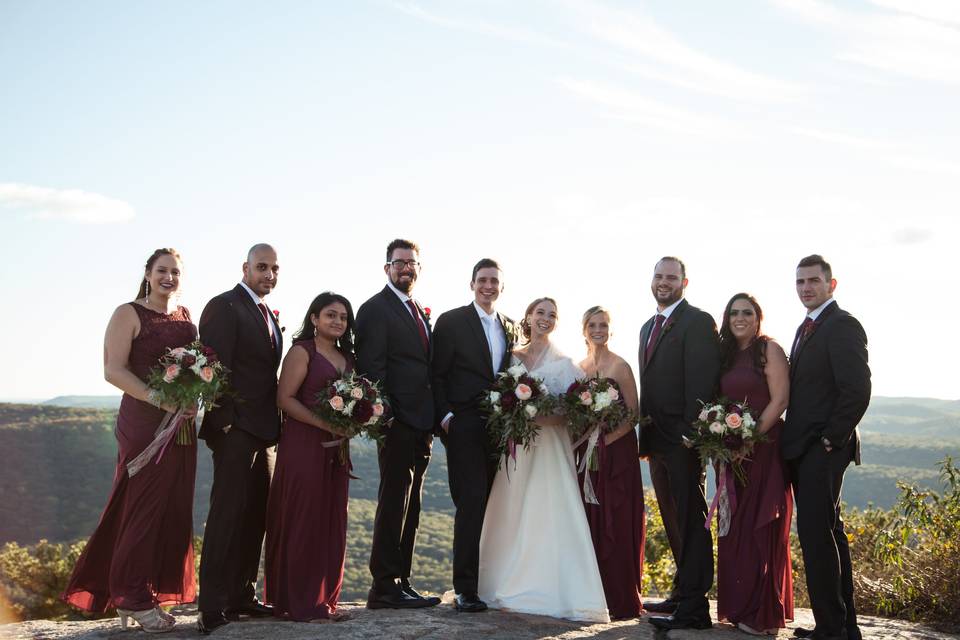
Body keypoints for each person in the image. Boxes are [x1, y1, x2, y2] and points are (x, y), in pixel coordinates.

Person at [62, 248, 197, 633]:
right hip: (143, 420)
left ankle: (142, 592)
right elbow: (112, 370)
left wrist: (190, 402)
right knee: (142, 505)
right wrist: (160, 399)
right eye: (161, 271)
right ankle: (131, 596)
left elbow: (195, 369)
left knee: (170, 506)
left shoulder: (186, 316)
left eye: (175, 272)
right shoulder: (128, 313)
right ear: (148, 274)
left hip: (181, 423)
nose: (168, 278)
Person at [478, 297, 610, 623]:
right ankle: (503, 580)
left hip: (550, 446)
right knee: (512, 510)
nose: (546, 319)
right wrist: (517, 413)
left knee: (548, 510)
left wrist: (537, 417)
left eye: (552, 315)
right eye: (541, 313)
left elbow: (574, 412)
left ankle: (554, 587)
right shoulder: (511, 358)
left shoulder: (565, 364)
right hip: (518, 446)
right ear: (529, 317)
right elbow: (500, 399)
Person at [196, 243, 283, 634]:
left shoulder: (266, 313)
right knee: (226, 515)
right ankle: (211, 605)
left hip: (265, 431)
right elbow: (213, 367)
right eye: (262, 267)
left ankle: (241, 595)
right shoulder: (224, 305)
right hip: (235, 429)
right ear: (245, 267)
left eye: (274, 268)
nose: (269, 274)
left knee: (256, 515)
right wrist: (226, 422)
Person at [784, 255, 870, 640]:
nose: (806, 288)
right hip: (806, 447)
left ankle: (831, 630)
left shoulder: (842, 325)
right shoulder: (808, 327)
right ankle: (841, 627)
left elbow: (857, 390)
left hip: (825, 448)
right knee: (829, 533)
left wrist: (830, 440)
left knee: (817, 537)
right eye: (800, 281)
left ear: (831, 285)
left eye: (813, 281)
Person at [355, 239, 439, 609]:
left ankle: (402, 579)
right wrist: (387, 418)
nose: (406, 268)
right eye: (399, 262)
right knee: (393, 501)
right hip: (396, 422)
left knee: (412, 502)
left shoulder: (418, 309)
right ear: (386, 267)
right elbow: (372, 370)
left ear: (419, 268)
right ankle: (383, 586)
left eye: (412, 263)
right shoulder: (374, 309)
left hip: (422, 422)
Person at [638, 256, 720, 632]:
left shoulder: (698, 322)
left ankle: (695, 608)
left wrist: (691, 435)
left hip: (683, 442)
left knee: (691, 520)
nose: (663, 282)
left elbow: (702, 383)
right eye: (659, 276)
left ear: (685, 283)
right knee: (673, 519)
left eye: (671, 277)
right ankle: (681, 592)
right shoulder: (646, 327)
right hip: (656, 440)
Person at [264, 292, 356, 622]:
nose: (338, 321)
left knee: (332, 521)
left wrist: (356, 420)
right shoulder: (303, 352)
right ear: (314, 319)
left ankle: (324, 600)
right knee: (304, 520)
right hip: (303, 446)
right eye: (330, 315)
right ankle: (298, 602)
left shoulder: (348, 358)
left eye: (343, 317)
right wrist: (324, 423)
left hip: (337, 451)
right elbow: (284, 399)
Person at [431, 258, 516, 612]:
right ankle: (465, 589)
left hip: (499, 428)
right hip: (463, 424)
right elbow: (436, 374)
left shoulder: (510, 326)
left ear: (501, 286)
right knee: (470, 503)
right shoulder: (451, 321)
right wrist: (447, 417)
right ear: (471, 284)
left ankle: (493, 581)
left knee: (496, 505)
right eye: (482, 280)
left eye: (494, 280)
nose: (488, 286)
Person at [714, 293, 793, 636]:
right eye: (734, 313)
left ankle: (763, 615)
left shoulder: (768, 349)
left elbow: (781, 399)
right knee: (735, 526)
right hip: (731, 451)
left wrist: (751, 438)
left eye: (747, 312)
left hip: (764, 448)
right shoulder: (726, 353)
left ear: (759, 317)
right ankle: (739, 605)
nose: (740, 318)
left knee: (759, 526)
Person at [576, 306, 646, 620]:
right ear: (584, 329)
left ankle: (620, 598)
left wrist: (605, 441)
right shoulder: (580, 368)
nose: (598, 329)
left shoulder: (621, 366)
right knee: (591, 520)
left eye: (603, 324)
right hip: (588, 457)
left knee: (616, 519)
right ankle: (595, 594)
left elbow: (633, 414)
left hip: (617, 454)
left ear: (611, 329)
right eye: (593, 324)